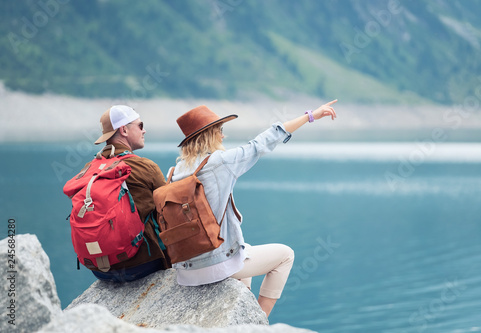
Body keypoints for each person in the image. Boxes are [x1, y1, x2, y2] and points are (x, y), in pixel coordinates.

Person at [168, 100, 337, 316]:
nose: (223, 136)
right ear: (209, 134)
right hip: (213, 266)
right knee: (286, 255)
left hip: (185, 269)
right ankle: (258, 321)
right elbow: (262, 143)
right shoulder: (221, 162)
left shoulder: (174, 172)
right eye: (219, 130)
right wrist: (310, 116)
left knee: (242, 250)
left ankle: (240, 315)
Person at [85, 105, 170, 281]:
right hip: (141, 265)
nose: (144, 130)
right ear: (124, 129)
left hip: (100, 270)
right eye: (140, 125)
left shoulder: (89, 170)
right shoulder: (145, 166)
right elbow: (170, 212)